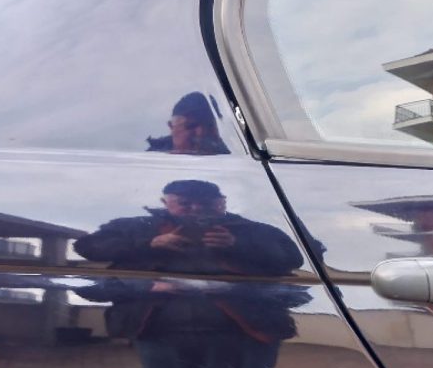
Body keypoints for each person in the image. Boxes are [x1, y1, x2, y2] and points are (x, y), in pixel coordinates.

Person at [74, 179, 303, 276]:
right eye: (185, 203)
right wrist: (149, 243)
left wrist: (238, 244)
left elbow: (293, 258)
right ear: (165, 202)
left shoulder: (253, 230)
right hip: (158, 326)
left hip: (245, 325)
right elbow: (87, 247)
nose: (195, 209)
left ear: (221, 203)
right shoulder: (135, 226)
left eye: (205, 203)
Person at [146, 92, 230, 155]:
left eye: (209, 126)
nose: (200, 132)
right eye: (191, 126)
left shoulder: (232, 161)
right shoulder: (149, 162)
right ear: (171, 127)